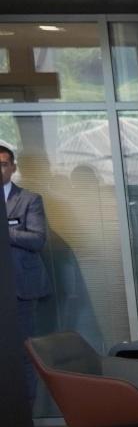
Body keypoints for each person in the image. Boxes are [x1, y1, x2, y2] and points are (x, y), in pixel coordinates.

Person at [2, 144, 51, 403]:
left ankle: (27, 412)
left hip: (20, 289)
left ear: (13, 167)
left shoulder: (29, 199)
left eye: (3, 164)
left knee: (24, 351)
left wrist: (5, 230)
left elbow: (37, 239)